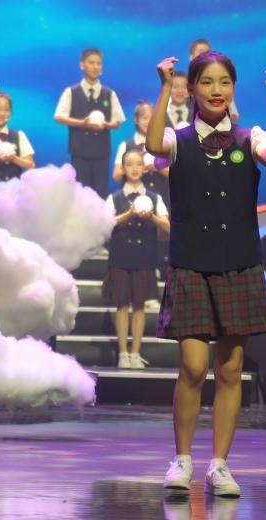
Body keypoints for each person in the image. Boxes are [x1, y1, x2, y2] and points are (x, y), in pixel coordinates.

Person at [146, 51, 266, 497]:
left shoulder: (249, 136)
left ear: (233, 88)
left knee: (230, 368)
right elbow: (153, 146)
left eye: (224, 82)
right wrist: (164, 89)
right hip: (191, 264)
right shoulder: (178, 139)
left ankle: (220, 465)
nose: (216, 90)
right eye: (206, 82)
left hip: (238, 264)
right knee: (193, 366)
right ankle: (182, 459)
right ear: (192, 89)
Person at [103, 149, 169, 370]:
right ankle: (123, 353)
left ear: (144, 168)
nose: (134, 168)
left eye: (138, 164)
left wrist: (153, 217)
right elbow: (104, 223)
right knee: (122, 304)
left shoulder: (154, 198)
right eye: (129, 164)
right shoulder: (114, 198)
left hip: (145, 256)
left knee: (139, 305)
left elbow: (168, 226)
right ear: (122, 168)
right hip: (121, 255)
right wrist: (129, 214)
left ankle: (135, 353)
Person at [54, 47, 126, 197]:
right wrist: (83, 123)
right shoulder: (71, 92)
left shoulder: (109, 94)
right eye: (91, 63)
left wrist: (105, 125)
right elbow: (59, 117)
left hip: (101, 154)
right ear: (82, 65)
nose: (95, 67)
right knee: (80, 195)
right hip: (79, 154)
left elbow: (117, 122)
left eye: (98, 63)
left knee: (100, 194)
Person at [0, 93, 35, 182]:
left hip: (13, 188)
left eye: (6, 110)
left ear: (11, 113)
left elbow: (30, 164)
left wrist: (13, 158)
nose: (2, 113)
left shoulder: (19, 135)